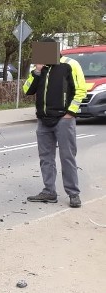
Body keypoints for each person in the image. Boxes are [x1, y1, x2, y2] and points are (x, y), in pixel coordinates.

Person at [23, 39, 87, 208]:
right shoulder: (38, 68)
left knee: (67, 157)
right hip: (43, 120)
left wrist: (70, 112)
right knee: (46, 158)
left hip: (63, 119)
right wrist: (37, 71)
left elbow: (81, 89)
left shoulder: (70, 64)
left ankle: (73, 193)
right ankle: (49, 191)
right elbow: (27, 90)